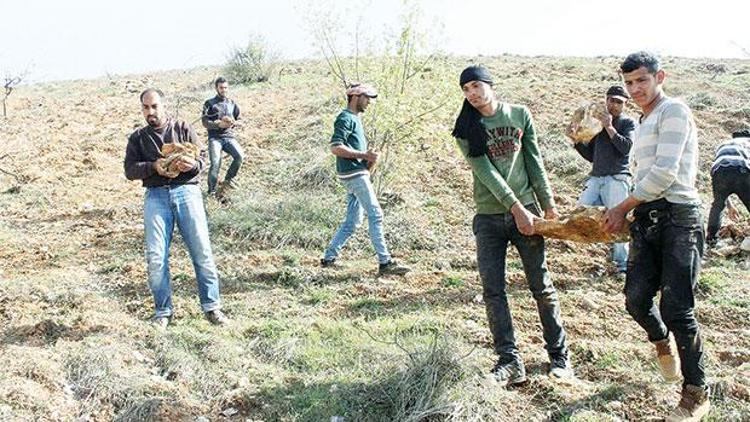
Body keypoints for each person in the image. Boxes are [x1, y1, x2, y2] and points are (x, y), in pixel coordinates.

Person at [602, 51, 709, 421]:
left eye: (641, 81)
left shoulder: (673, 111)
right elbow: (643, 175)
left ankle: (696, 390)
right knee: (635, 299)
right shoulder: (643, 122)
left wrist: (620, 207)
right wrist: (628, 210)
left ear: (659, 77)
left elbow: (664, 173)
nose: (635, 89)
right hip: (647, 217)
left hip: (679, 216)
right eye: (629, 83)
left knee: (678, 308)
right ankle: (663, 343)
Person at [452, 65, 572, 386]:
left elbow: (534, 161)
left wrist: (547, 206)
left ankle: (559, 357)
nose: (472, 94)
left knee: (541, 285)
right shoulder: (465, 127)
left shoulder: (519, 115)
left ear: (490, 84)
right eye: (465, 90)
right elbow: (485, 173)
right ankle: (509, 361)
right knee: (494, 291)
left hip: (529, 213)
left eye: (476, 85)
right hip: (490, 218)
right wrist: (516, 208)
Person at [125, 88, 228, 328]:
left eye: (154, 106)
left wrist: (192, 164)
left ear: (164, 106)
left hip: (187, 192)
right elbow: (130, 170)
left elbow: (202, 160)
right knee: (155, 257)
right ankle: (163, 312)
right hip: (156, 196)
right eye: (146, 107)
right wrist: (154, 167)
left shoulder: (182, 128)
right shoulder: (138, 138)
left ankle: (212, 308)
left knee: (202, 251)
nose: (151, 112)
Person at [320, 83, 410, 276]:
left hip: (355, 174)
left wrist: (370, 161)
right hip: (353, 175)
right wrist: (365, 155)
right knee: (376, 214)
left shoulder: (355, 119)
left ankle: (329, 258)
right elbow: (335, 147)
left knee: (352, 222)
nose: (369, 102)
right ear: (355, 97)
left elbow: (359, 158)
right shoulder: (345, 118)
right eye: (366, 97)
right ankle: (385, 263)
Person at [569, 85, 637, 274]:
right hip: (596, 178)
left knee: (618, 220)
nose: (613, 105)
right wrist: (576, 142)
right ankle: (597, 255)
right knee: (581, 212)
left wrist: (609, 126)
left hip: (617, 179)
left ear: (625, 104)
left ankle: (621, 265)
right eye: (610, 100)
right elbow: (592, 156)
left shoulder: (627, 123)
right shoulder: (597, 126)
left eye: (618, 102)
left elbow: (626, 148)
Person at [706, 129, 749, 246]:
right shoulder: (748, 143)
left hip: (719, 172)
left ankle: (711, 239)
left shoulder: (723, 144)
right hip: (741, 169)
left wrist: (730, 207)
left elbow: (723, 174)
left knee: (718, 205)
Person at [202, 77, 245, 197]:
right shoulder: (209, 103)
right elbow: (205, 122)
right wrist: (218, 124)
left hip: (229, 137)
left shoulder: (232, 103)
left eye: (225, 87)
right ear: (216, 88)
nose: (224, 90)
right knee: (215, 163)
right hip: (215, 138)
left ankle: (229, 179)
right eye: (221, 88)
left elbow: (239, 119)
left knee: (240, 156)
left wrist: (234, 123)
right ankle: (212, 191)